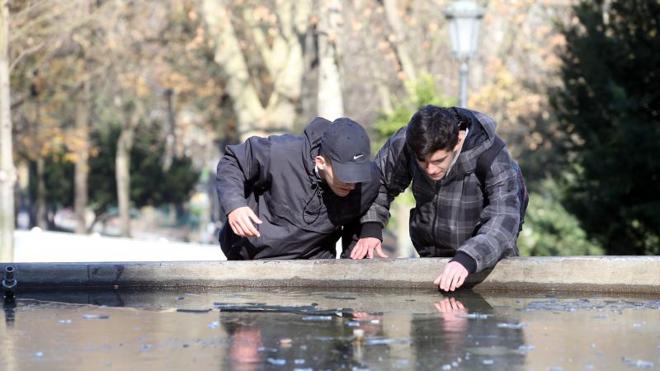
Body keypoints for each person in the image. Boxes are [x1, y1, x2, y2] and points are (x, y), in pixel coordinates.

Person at [351, 105, 528, 291]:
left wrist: (467, 258)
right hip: (432, 261)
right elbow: (379, 182)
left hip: (486, 264)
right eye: (422, 161)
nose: (430, 170)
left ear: (458, 141)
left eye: (438, 161)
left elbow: (505, 218)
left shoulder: (493, 155)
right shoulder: (408, 142)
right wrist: (371, 227)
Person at [216, 117, 380, 259]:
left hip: (312, 264)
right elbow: (233, 162)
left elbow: (377, 195)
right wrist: (235, 205)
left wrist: (370, 228)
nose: (352, 183)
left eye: (357, 175)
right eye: (345, 175)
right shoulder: (280, 153)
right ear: (320, 162)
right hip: (251, 255)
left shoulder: (368, 180)